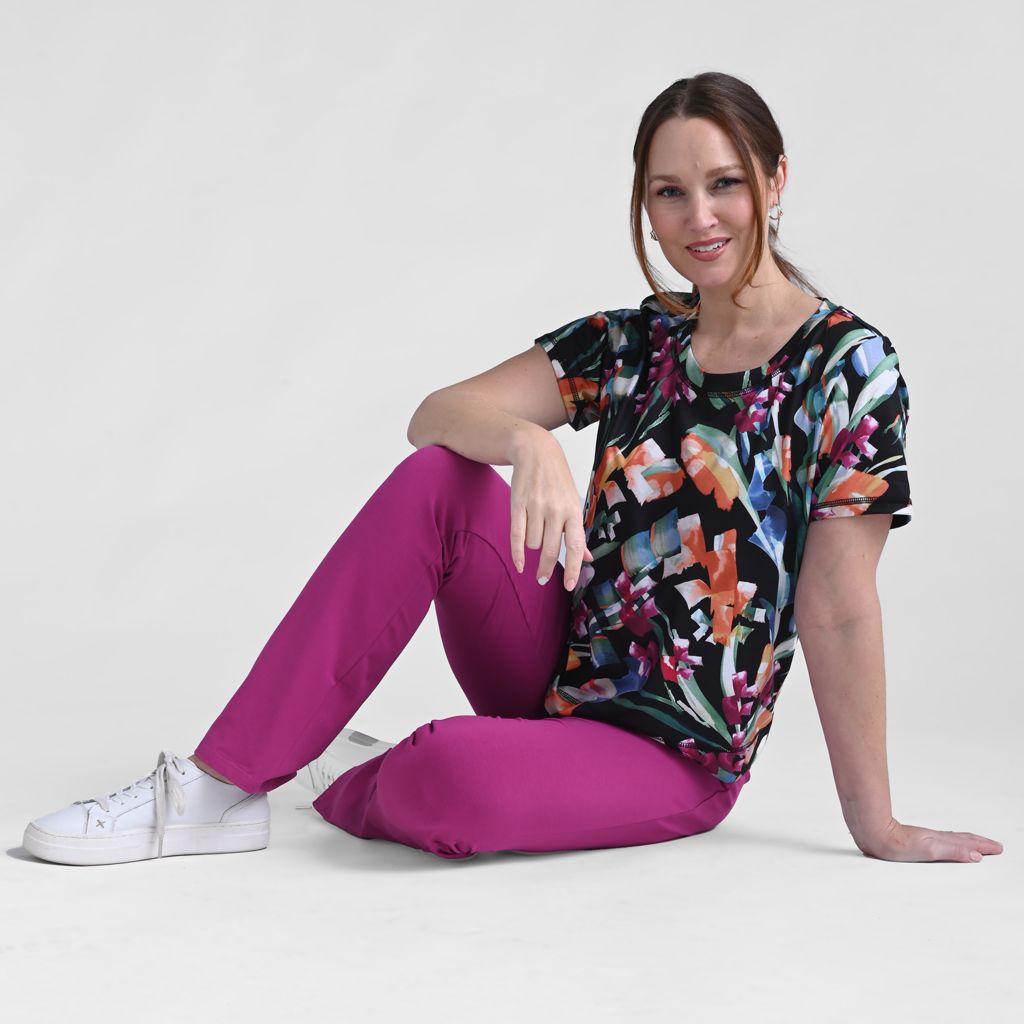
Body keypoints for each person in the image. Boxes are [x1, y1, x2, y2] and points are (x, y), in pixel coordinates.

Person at [22, 70, 1004, 868]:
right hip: (557, 671)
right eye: (669, 192)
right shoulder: (634, 340)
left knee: (447, 775)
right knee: (440, 480)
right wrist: (528, 440)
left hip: (677, 752)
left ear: (776, 179)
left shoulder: (848, 367)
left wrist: (875, 824)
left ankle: (351, 773)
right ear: (646, 206)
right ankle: (220, 787)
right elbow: (435, 415)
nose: (699, 216)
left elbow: (837, 606)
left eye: (725, 183)